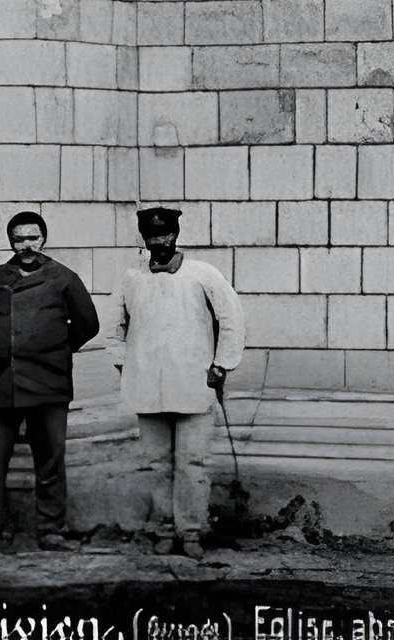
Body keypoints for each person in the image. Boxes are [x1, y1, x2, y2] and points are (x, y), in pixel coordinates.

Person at [0, 210, 100, 551]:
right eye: (19, 239)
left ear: (43, 239)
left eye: (32, 238)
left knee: (50, 460)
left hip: (49, 385)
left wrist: (56, 352)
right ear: (11, 242)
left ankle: (50, 529)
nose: (26, 245)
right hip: (1, 384)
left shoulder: (63, 278)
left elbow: (88, 324)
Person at [111, 206, 244, 557]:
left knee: (192, 461)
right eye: (153, 236)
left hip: (194, 383)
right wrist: (126, 366)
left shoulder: (203, 274)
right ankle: (164, 528)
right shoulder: (132, 278)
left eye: (166, 234)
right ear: (144, 239)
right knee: (156, 462)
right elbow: (115, 328)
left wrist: (222, 364)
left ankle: (191, 532)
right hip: (148, 388)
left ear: (176, 234)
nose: (160, 242)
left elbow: (231, 318)